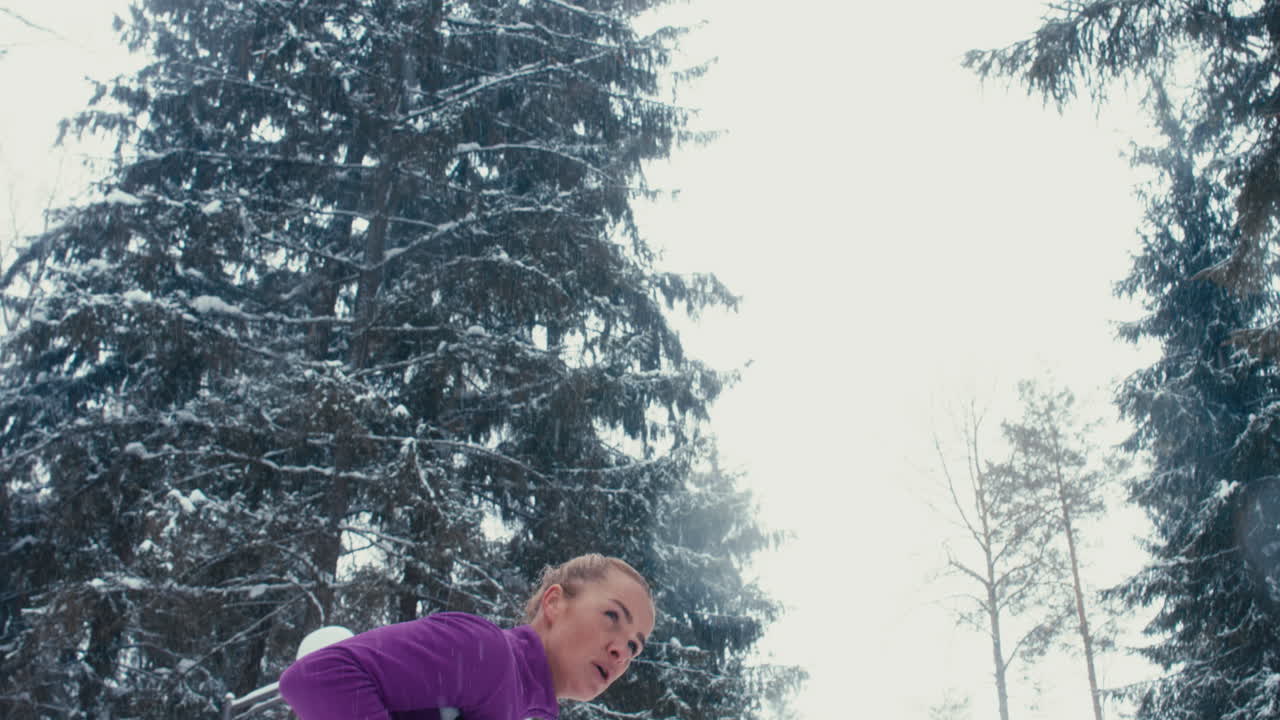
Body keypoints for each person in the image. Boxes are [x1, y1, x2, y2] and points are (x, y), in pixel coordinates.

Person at [278, 554, 655, 720]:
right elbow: (316, 677)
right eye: (611, 616)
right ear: (554, 603)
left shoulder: (516, 701)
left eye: (636, 647)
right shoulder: (487, 655)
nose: (622, 651)